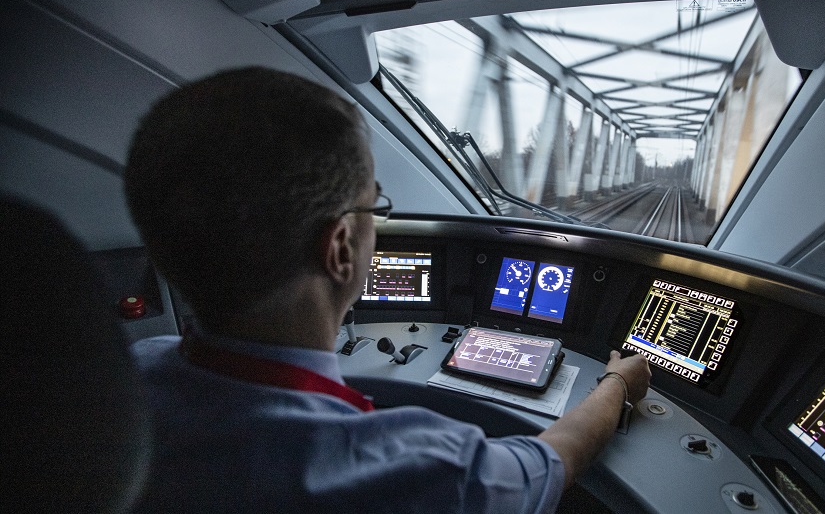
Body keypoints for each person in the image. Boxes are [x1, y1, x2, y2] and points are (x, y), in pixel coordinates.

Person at [125, 67, 650, 513]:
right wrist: (618, 385)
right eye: (373, 206)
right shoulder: (415, 468)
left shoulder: (123, 377)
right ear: (340, 250)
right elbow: (555, 461)